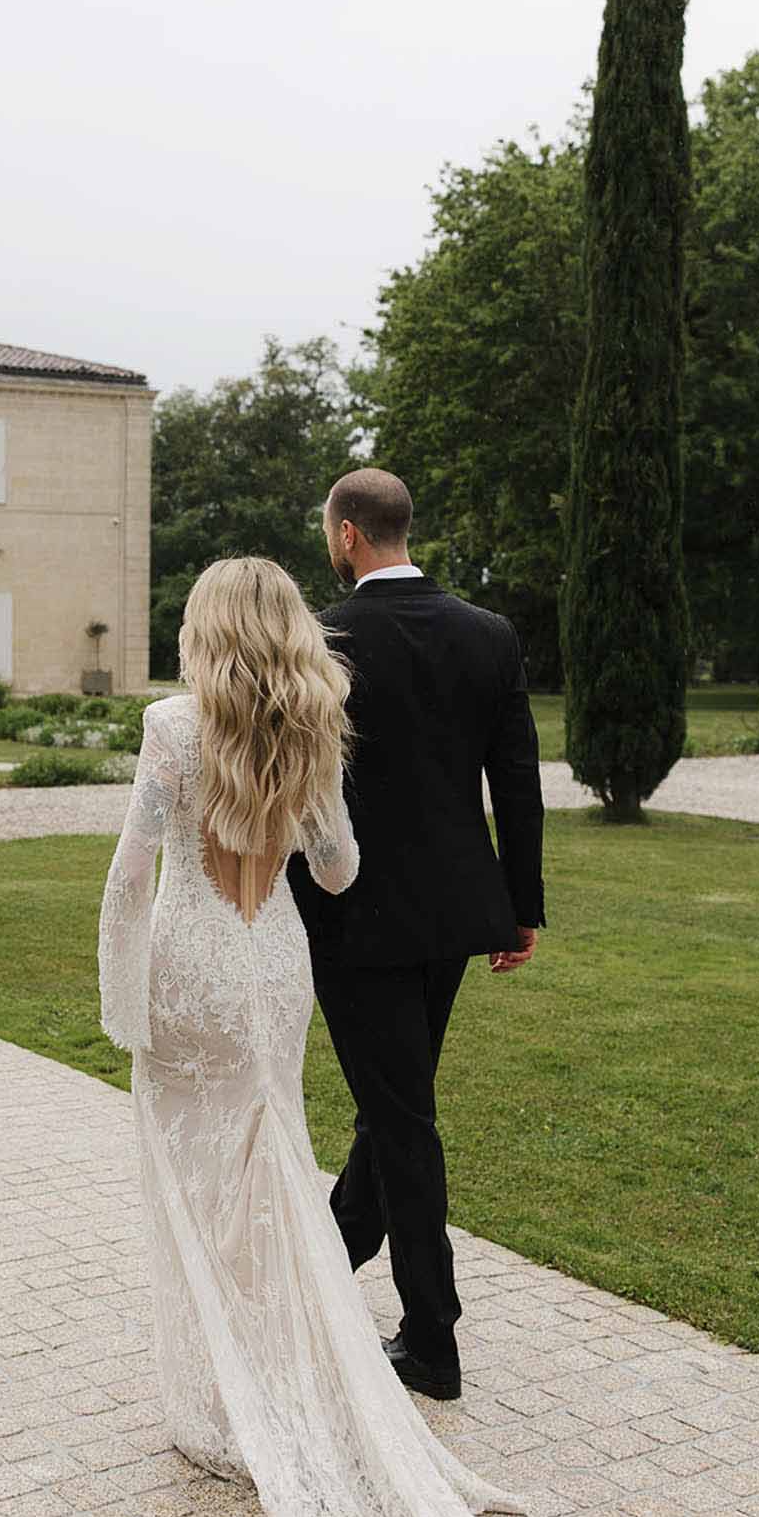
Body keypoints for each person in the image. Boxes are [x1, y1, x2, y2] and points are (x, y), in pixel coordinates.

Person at [98, 557, 576, 1517]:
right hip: (269, 969)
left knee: (196, 1175)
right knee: (274, 1156)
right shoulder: (315, 726)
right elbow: (340, 869)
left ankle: (225, 1394)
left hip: (186, 962)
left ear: (204, 629)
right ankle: (281, 1362)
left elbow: (133, 872)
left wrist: (120, 992)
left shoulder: (171, 726)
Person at [288, 469, 545, 1404]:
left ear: (348, 533)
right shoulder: (490, 633)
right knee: (393, 1101)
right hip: (456, 913)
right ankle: (329, 1255)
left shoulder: (320, 639)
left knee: (399, 1116)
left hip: (354, 917)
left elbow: (296, 790)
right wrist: (522, 903)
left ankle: (432, 1342)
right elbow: (516, 780)